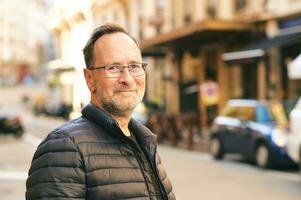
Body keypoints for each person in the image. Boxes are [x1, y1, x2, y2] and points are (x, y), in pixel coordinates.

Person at [25, 23, 176, 200]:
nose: (127, 78)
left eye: (134, 66)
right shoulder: (64, 147)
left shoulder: (145, 142)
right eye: (113, 67)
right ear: (90, 79)